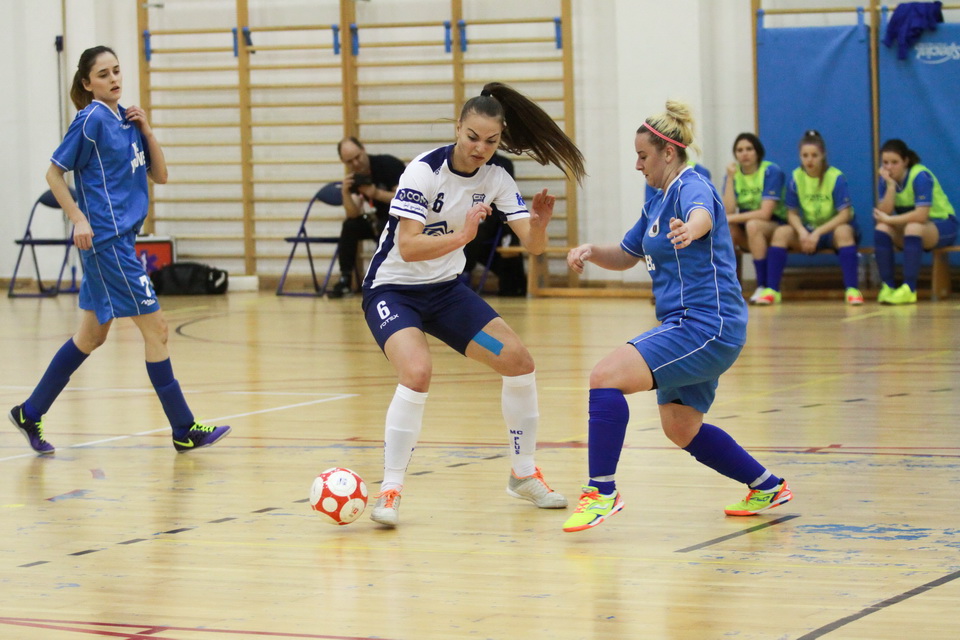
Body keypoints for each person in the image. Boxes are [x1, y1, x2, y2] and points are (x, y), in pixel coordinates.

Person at [361, 81, 586, 527]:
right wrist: (462, 236)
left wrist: (539, 225)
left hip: (446, 293)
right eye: (472, 137)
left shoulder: (497, 179)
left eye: (492, 140)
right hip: (394, 290)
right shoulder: (423, 171)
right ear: (457, 127)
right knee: (417, 372)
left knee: (519, 362)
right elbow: (407, 247)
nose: (480, 148)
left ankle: (523, 474)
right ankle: (390, 489)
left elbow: (533, 248)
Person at [561, 100, 792, 533]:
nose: (636, 164)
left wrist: (694, 227)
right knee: (680, 426)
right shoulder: (656, 200)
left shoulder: (691, 184)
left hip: (706, 324)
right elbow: (627, 254)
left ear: (668, 152)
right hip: (688, 326)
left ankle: (601, 492)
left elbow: (703, 213)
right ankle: (767, 485)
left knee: (605, 376)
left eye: (642, 156)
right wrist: (591, 251)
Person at [7, 46, 230, 455]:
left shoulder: (126, 119)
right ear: (88, 83)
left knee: (91, 336)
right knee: (157, 329)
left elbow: (160, 176)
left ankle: (30, 411)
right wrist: (77, 217)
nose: (113, 79)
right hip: (106, 243)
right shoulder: (91, 120)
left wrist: (146, 130)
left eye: (117, 71)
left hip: (121, 241)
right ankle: (183, 428)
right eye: (104, 74)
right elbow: (54, 174)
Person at [755, 130, 863, 305]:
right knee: (781, 232)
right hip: (808, 231)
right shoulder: (796, 177)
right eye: (805, 155)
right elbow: (792, 213)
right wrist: (803, 232)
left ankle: (852, 290)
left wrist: (818, 232)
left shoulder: (836, 177)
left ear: (823, 156)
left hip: (830, 231)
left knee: (844, 232)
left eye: (814, 155)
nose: (809, 160)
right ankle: (772, 290)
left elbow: (845, 214)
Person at [873, 139, 958, 304]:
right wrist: (890, 186)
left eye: (894, 162)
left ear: (906, 161)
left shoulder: (920, 176)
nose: (889, 167)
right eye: (885, 163)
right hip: (915, 227)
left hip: (944, 226)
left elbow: (921, 215)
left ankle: (909, 289)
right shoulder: (885, 179)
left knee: (912, 227)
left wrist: (891, 219)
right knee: (882, 228)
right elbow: (884, 213)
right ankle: (888, 286)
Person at [329, 137, 406, 299]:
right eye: (350, 161)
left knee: (385, 226)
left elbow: (405, 200)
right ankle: (345, 280)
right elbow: (353, 213)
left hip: (401, 221)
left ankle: (385, 281)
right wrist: (345, 192)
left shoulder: (388, 165)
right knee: (350, 225)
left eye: (357, 157)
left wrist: (376, 194)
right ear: (343, 162)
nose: (355, 164)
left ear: (363, 149)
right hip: (377, 221)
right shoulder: (355, 178)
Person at [721, 133, 788, 303]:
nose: (744, 153)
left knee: (753, 225)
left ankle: (763, 285)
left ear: (757, 151)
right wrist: (729, 178)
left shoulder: (770, 171)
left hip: (775, 225)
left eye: (749, 149)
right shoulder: (734, 174)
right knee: (727, 230)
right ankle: (726, 288)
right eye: (740, 150)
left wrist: (732, 218)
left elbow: (765, 213)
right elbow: (727, 210)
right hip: (747, 226)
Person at [461, 152, 527, 296]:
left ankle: (512, 286)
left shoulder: (503, 164)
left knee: (507, 239)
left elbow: (505, 198)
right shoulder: (464, 160)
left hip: (492, 215)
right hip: (467, 211)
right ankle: (459, 277)